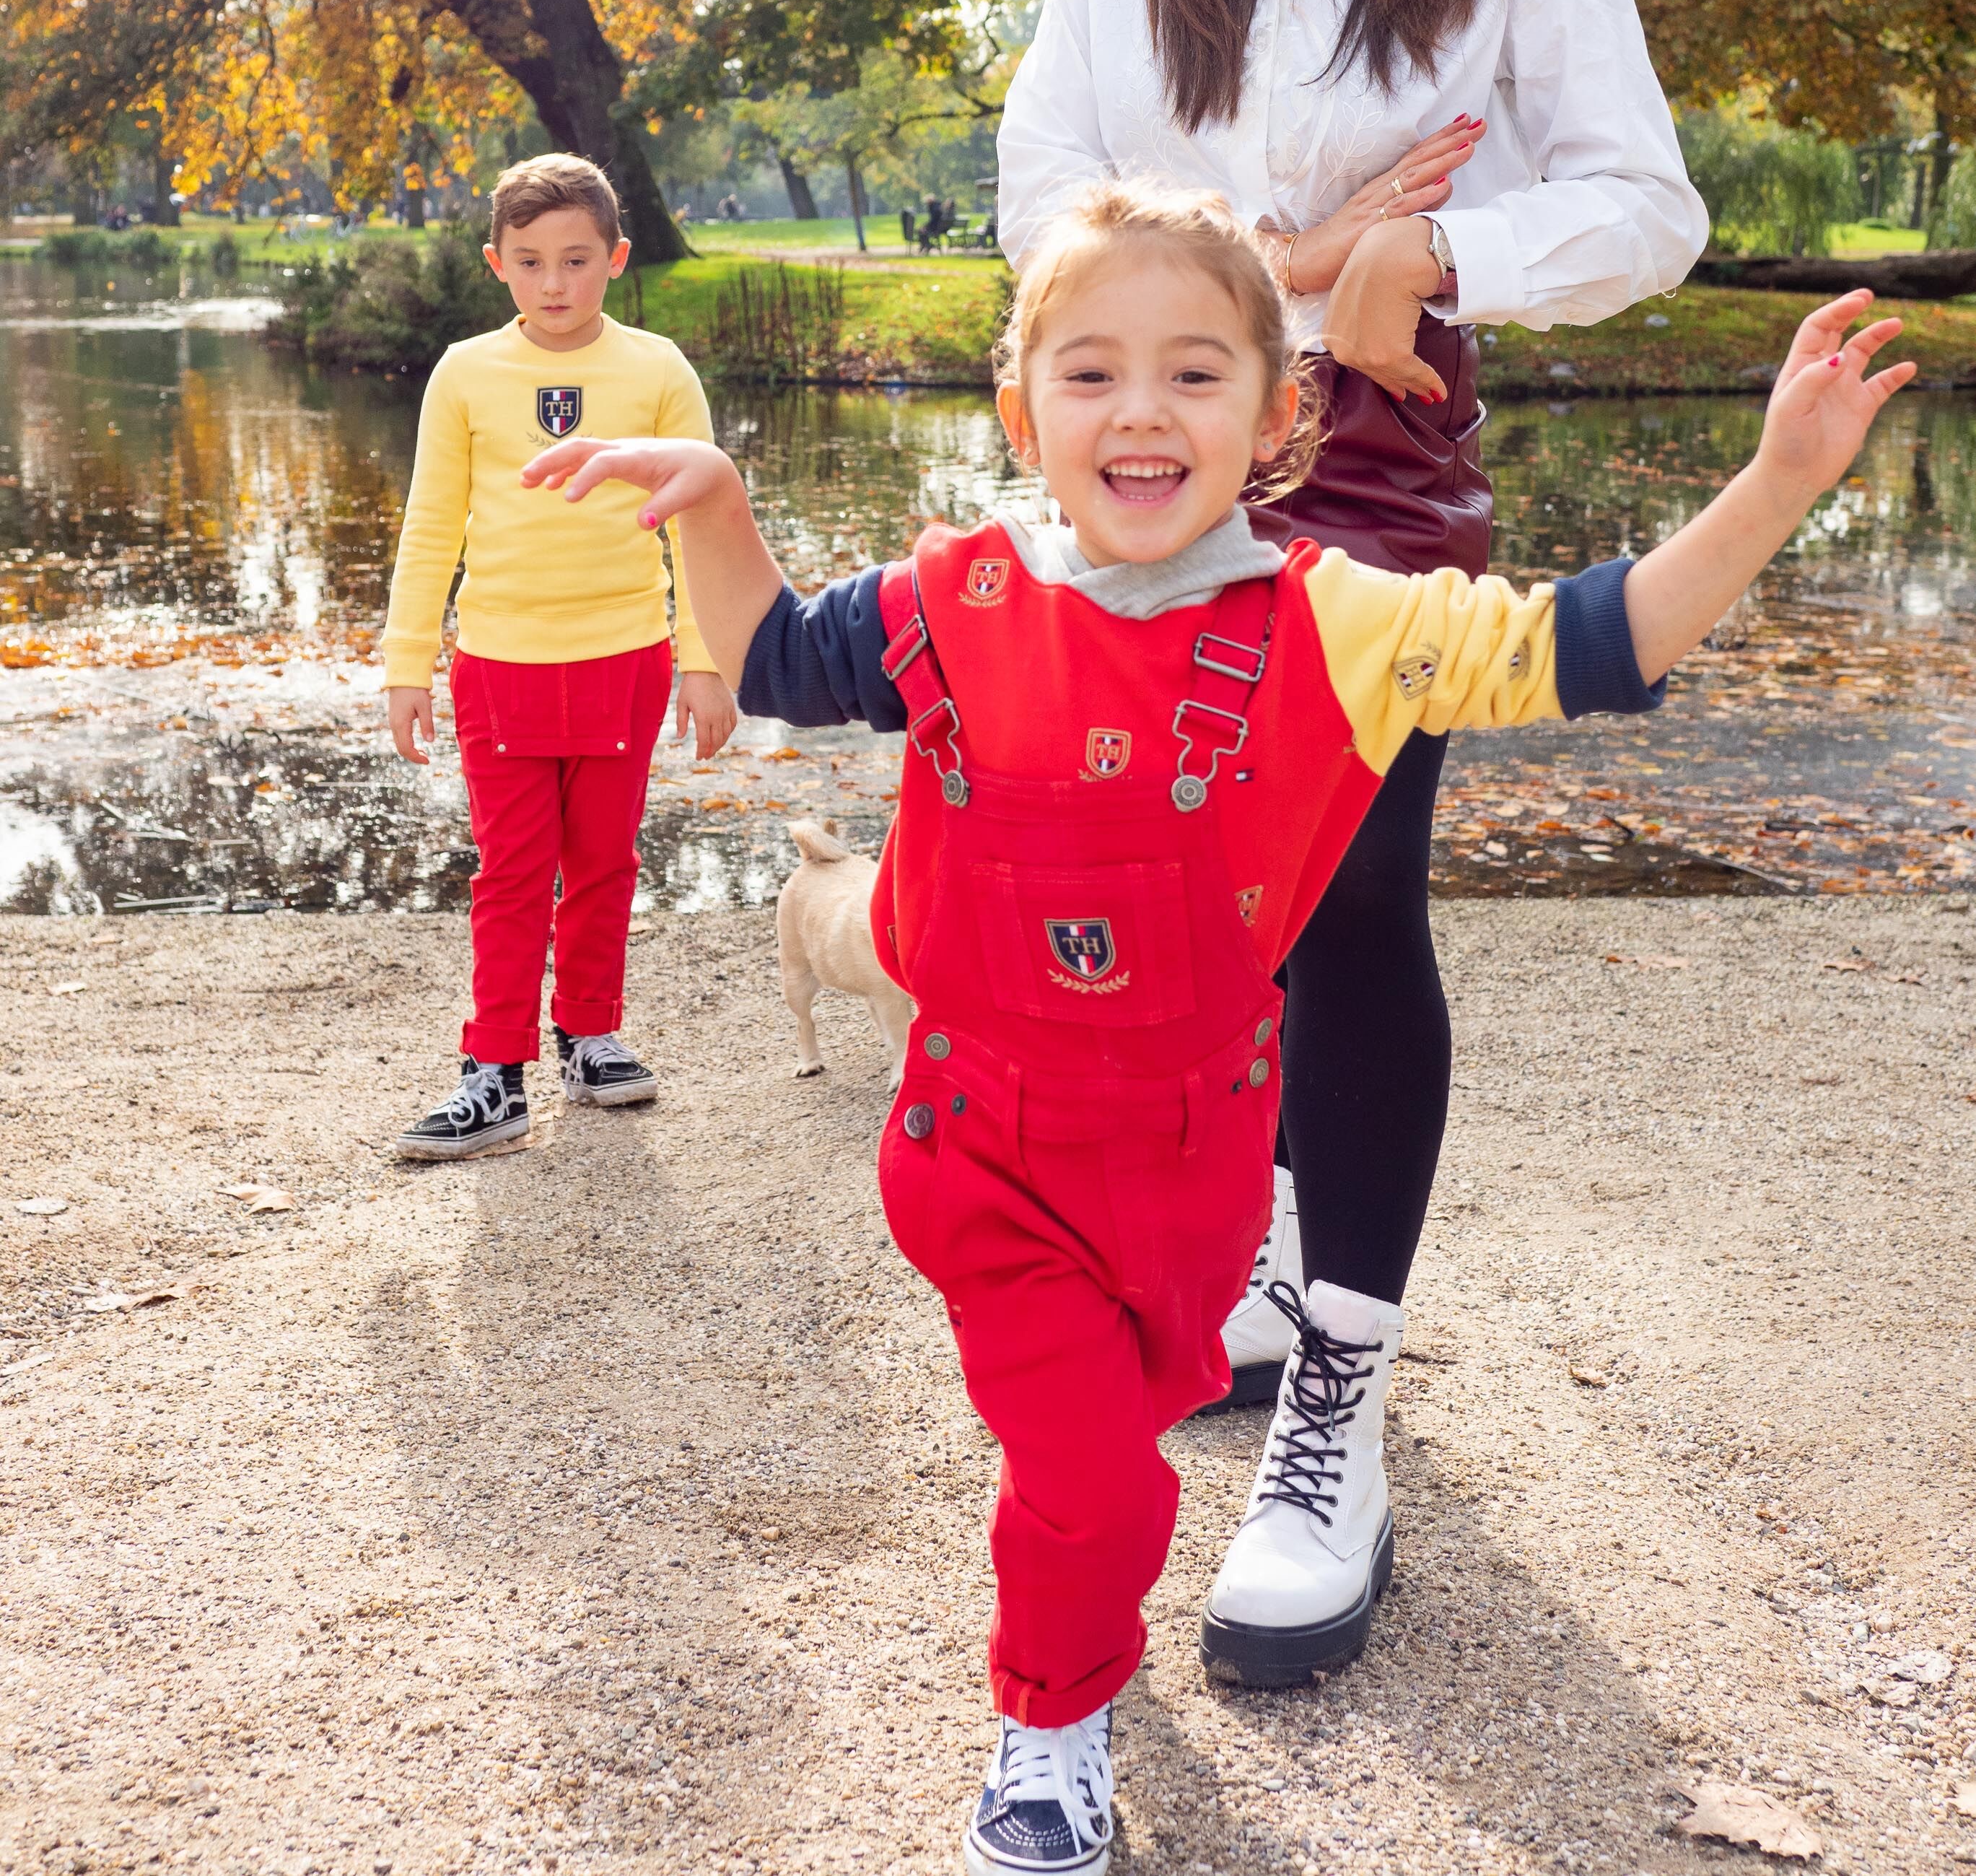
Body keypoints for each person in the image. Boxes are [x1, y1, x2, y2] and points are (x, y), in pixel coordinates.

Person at [522, 183, 1908, 1876]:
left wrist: (1776, 482)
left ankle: (1080, 1579)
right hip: (979, 1148)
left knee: (1113, 1437)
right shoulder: (946, 598)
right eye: (1091, 372)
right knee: (1096, 1473)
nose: (1141, 408)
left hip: (1197, 1175)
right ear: (1022, 411)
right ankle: (1048, 1730)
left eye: (1194, 371)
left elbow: (1591, 644)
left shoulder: (1338, 620)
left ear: (1277, 416)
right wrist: (717, 499)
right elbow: (767, 652)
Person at [994, 0, 1710, 1668]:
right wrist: (1316, 263)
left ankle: (1341, 1402)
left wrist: (1438, 248)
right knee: (1158, 904)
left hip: (1375, 492)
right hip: (1142, 466)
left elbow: (1644, 208)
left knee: (1343, 902)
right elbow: (1046, 219)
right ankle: (1243, 1273)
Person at [381, 153, 738, 1161]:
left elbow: (696, 527)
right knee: (510, 870)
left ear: (615, 260)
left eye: (575, 260)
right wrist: (408, 663)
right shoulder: (465, 373)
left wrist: (703, 660)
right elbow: (430, 527)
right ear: (497, 263)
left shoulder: (658, 370)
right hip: (499, 660)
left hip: (627, 656)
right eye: (531, 261)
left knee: (605, 863)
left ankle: (588, 1035)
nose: (554, 283)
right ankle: (493, 1074)